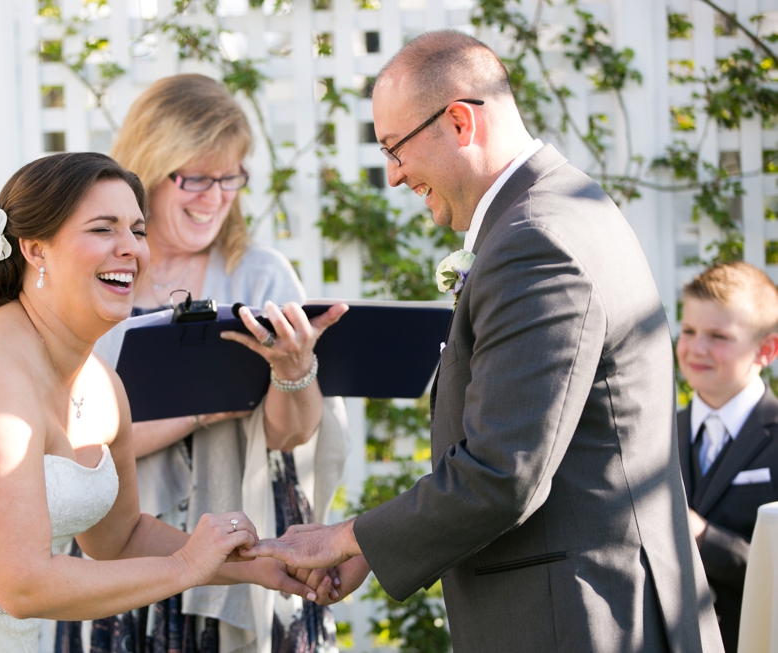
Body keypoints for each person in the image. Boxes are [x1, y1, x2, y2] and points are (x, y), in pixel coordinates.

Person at [244, 30, 726, 652]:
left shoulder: (534, 240)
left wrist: (350, 537)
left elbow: (504, 472)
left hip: (582, 621)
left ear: (460, 121)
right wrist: (380, 548)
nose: (393, 176)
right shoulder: (566, 204)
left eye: (395, 148)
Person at [0, 153, 314, 653]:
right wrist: (185, 568)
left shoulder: (104, 385)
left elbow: (120, 536)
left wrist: (261, 565)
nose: (130, 249)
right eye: (102, 229)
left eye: (137, 230)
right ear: (35, 249)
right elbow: (22, 584)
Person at [66, 75, 349, 653]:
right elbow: (75, 446)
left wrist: (293, 370)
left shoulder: (262, 276)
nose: (214, 197)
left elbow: (290, 434)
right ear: (147, 170)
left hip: (251, 537)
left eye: (229, 178)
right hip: (126, 542)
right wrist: (203, 410)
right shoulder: (100, 281)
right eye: (194, 177)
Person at [675, 261, 778, 653]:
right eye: (689, 331)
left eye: (718, 336)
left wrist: (703, 537)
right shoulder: (657, 432)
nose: (696, 348)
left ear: (765, 350)